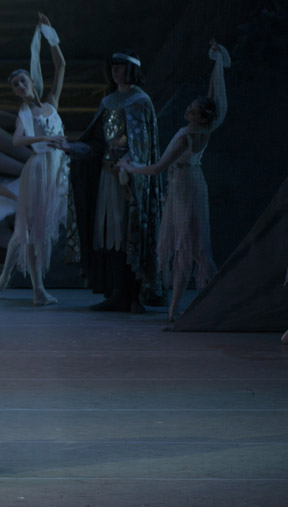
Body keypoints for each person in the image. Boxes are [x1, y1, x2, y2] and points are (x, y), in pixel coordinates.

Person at [120, 40, 231, 325]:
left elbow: (157, 168)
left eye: (192, 111)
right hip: (192, 184)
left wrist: (131, 167)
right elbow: (213, 99)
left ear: (200, 118)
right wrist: (215, 65)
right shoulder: (207, 127)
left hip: (184, 189)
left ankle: (189, 307)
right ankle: (184, 308)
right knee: (192, 247)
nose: (187, 112)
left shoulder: (186, 137)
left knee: (187, 247)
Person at [68, 48, 163, 313]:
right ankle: (116, 292)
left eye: (121, 66)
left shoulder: (140, 102)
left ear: (131, 69)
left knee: (126, 233)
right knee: (108, 234)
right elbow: (97, 143)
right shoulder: (108, 101)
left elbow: (144, 146)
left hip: (129, 180)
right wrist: (72, 148)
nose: (116, 71)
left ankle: (132, 294)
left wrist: (130, 165)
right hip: (107, 176)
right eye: (113, 66)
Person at [0, 14, 70, 306]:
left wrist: (50, 34)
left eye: (22, 82)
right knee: (28, 228)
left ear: (31, 81)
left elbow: (61, 66)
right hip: (38, 170)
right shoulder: (25, 114)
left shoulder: (50, 103)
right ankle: (36, 289)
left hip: (56, 170)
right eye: (15, 87)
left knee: (37, 229)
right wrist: (44, 140)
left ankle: (10, 278)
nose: (20, 88)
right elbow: (17, 141)